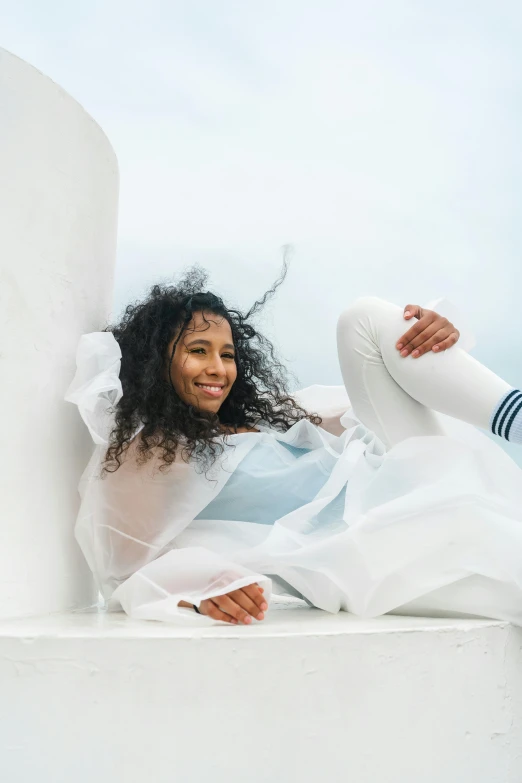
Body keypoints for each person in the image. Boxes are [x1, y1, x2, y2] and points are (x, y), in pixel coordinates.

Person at [65, 263, 522, 627]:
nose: (219, 369)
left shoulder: (269, 415)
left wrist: (435, 337)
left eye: (227, 355)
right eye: (198, 350)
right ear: (153, 362)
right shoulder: (151, 455)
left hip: (409, 479)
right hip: (377, 548)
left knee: (363, 318)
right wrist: (199, 595)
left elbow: (389, 390)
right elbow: (123, 568)